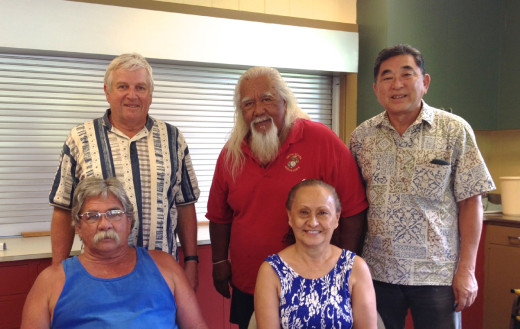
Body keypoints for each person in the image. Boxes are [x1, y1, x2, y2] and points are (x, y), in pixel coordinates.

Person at [206, 66, 368, 328]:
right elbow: (219, 216)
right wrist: (219, 261)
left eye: (267, 99)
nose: (258, 110)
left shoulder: (321, 140)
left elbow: (353, 209)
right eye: (249, 104)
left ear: (285, 101)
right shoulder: (231, 153)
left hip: (317, 282)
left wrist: (344, 269)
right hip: (248, 282)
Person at [349, 44, 495, 329]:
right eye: (387, 77)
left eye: (407, 74)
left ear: (424, 82)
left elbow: (471, 202)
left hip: (438, 276)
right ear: (376, 88)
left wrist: (467, 270)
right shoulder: (361, 137)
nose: (397, 84)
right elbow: (352, 205)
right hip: (377, 272)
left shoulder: (454, 130)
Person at [49, 53, 200, 289]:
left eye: (140, 87)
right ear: (107, 92)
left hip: (161, 274)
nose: (132, 95)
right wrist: (58, 272)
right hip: (97, 274)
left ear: (150, 95)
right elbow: (63, 209)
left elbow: (185, 205)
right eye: (123, 86)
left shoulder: (173, 138)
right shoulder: (79, 138)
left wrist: (191, 261)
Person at [22, 177, 208, 329]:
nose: (105, 224)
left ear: (129, 221)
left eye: (114, 213)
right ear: (78, 226)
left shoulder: (165, 266)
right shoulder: (51, 281)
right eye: (92, 216)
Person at [255, 179, 377, 329]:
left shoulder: (355, 267)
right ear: (290, 217)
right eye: (304, 212)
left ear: (336, 219)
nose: (313, 222)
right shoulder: (271, 270)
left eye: (322, 213)